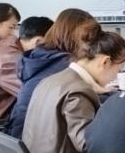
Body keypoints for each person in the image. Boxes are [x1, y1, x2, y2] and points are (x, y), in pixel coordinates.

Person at [23, 30, 125, 153]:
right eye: (118, 70)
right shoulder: (78, 91)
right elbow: (88, 144)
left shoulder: (50, 80)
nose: (115, 77)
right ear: (105, 62)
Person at [6, 9, 100, 138]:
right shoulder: (65, 63)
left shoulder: (42, 57)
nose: (92, 45)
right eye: (89, 38)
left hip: (18, 134)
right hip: (34, 140)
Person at [0, 16, 52, 122]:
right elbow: (31, 93)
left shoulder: (10, 42)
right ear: (38, 41)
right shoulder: (10, 59)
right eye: (50, 45)